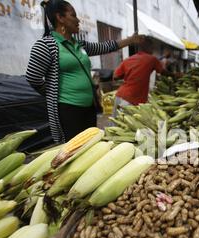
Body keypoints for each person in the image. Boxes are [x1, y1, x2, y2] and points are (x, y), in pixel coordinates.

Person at [26, 0, 143, 143]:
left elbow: (104, 47)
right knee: (73, 152)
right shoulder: (45, 46)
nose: (78, 20)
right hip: (68, 110)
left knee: (90, 146)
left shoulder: (79, 44)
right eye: (73, 15)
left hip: (88, 108)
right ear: (60, 18)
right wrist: (55, 95)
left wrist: (131, 40)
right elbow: (33, 77)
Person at [112, 37, 174, 117]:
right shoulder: (152, 59)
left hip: (119, 96)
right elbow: (163, 72)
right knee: (127, 127)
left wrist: (131, 74)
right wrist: (175, 75)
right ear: (147, 47)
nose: (153, 50)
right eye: (152, 47)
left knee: (115, 125)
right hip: (131, 100)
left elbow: (115, 76)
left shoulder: (129, 59)